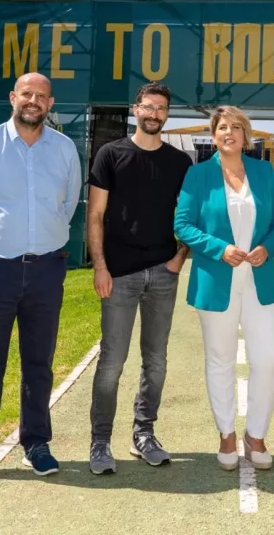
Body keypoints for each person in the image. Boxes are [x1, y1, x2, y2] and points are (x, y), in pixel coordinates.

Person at [0, 73, 82, 488]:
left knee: (39, 364)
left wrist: (40, 238)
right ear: (13, 97)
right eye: (27, 94)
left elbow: (68, 203)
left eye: (41, 96)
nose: (33, 101)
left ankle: (37, 444)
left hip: (46, 271)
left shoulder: (64, 149)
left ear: (50, 103)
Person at [174, 106, 274, 470]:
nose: (229, 133)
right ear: (214, 135)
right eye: (223, 127)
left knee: (267, 357)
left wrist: (267, 248)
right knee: (220, 360)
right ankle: (226, 433)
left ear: (246, 135)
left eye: (236, 127)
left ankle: (255, 435)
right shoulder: (198, 175)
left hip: (259, 280)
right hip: (216, 280)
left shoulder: (264, 171)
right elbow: (183, 224)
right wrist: (219, 249)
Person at [85, 82, 193, 475]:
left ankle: (143, 434)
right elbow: (95, 215)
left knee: (156, 362)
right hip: (119, 275)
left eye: (161, 108)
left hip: (163, 274)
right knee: (112, 361)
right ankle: (100, 442)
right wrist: (100, 266)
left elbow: (194, 217)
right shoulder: (110, 154)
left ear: (167, 114)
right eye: (148, 106)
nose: (154, 114)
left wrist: (180, 256)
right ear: (136, 109)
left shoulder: (180, 163)